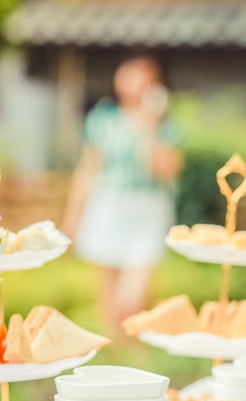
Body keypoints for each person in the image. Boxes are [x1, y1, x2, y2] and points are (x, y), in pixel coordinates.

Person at [63, 55, 182, 333]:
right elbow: (87, 170)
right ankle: (117, 355)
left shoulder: (165, 126)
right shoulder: (104, 119)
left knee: (132, 299)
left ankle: (134, 349)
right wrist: (72, 218)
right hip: (108, 205)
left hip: (147, 208)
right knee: (108, 295)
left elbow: (165, 171)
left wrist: (149, 126)